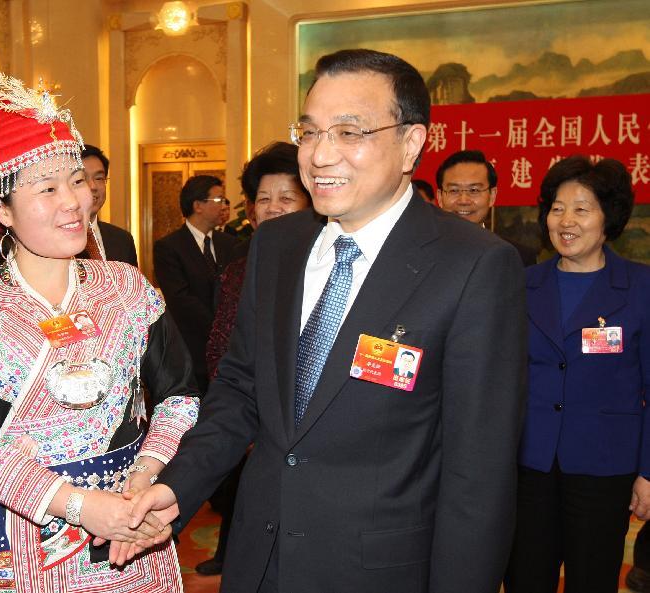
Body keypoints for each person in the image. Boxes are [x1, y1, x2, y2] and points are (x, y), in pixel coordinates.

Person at [127, 48, 527, 593]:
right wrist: (177, 486)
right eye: (310, 132)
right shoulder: (277, 245)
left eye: (349, 132)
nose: (320, 156)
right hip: (260, 558)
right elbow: (242, 388)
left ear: (411, 143)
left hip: (377, 571)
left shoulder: (473, 265)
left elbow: (478, 473)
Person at [0, 57, 199, 593]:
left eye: (76, 181)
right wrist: (80, 506)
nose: (73, 201)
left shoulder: (126, 287)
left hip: (133, 526)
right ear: (2, 212)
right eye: (46, 189)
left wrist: (144, 482)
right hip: (27, 534)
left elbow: (180, 395)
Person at [504, 155, 650, 593]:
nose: (566, 220)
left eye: (582, 209)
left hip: (605, 468)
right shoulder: (522, 284)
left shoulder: (640, 288)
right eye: (557, 207)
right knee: (525, 578)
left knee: (593, 580)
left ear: (609, 218)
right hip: (529, 465)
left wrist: (648, 472)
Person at [197, 140, 312, 577]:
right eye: (263, 199)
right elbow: (222, 349)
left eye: (287, 198)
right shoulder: (238, 271)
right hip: (253, 426)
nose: (274, 208)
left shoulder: (333, 263)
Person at [153, 175, 240, 391]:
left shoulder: (230, 244)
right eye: (219, 200)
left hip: (229, 352)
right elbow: (180, 299)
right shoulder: (169, 247)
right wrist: (220, 325)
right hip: (191, 349)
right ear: (198, 205)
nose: (224, 206)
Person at [436, 149, 537, 265]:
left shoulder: (517, 256)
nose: (463, 200)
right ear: (439, 197)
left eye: (474, 190)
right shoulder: (419, 251)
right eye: (454, 190)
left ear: (492, 196)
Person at [76, 144, 138, 265]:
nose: (92, 186)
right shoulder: (54, 240)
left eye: (99, 178)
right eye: (82, 179)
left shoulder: (123, 240)